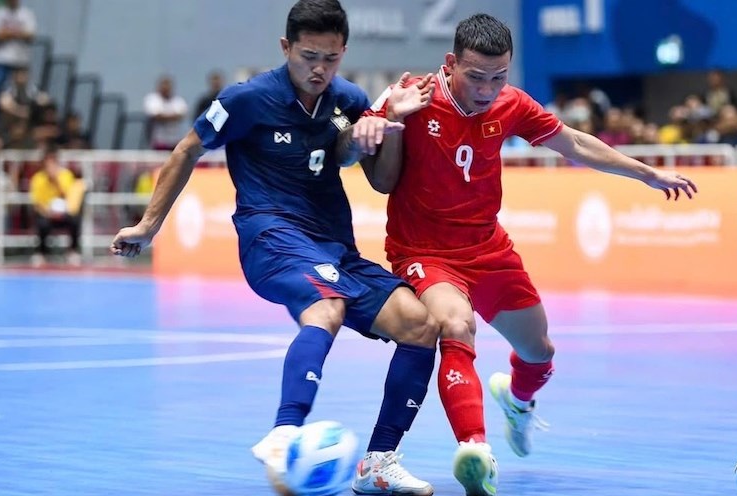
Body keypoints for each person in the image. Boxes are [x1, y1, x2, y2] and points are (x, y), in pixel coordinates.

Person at [356, 13, 698, 496]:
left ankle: (518, 402)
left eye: (499, 77)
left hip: (489, 248)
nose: (487, 89)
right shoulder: (412, 95)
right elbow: (364, 151)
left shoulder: (510, 103)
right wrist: (386, 119)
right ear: (450, 63)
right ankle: (475, 449)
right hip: (424, 251)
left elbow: (574, 143)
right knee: (455, 326)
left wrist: (646, 172)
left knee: (539, 353)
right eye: (476, 77)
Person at [110, 1, 440, 495]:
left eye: (330, 58)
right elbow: (187, 149)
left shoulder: (347, 99)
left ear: (343, 53)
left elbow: (379, 178)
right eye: (309, 56)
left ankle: (378, 463)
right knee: (325, 307)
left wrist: (385, 126)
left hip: (335, 247)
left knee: (420, 325)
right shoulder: (247, 99)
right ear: (286, 48)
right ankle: (286, 431)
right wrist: (149, 224)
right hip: (271, 238)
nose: (319, 69)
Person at [29, 144, 85, 267]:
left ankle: (73, 252)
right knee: (42, 223)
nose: (50, 165)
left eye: (53, 161)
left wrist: (56, 181)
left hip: (64, 214)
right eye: (48, 161)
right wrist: (48, 213)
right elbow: (37, 204)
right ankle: (41, 253)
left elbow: (70, 198)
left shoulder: (66, 176)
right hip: (47, 214)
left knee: (76, 220)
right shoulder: (37, 179)